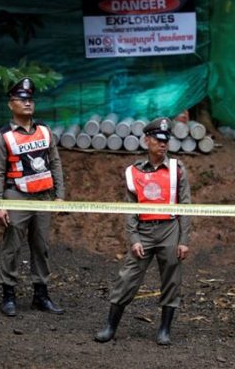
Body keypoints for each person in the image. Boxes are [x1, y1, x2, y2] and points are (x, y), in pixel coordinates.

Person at [94, 117, 192, 345]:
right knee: (127, 278)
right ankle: (110, 327)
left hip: (170, 230)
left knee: (171, 279)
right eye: (158, 140)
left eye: (166, 140)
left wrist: (184, 240)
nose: (163, 144)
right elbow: (130, 210)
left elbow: (186, 206)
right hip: (144, 232)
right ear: (146, 140)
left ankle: (164, 330)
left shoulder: (177, 169)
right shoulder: (133, 172)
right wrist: (134, 238)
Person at [0, 77, 65, 317]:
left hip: (43, 197)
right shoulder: (3, 136)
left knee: (41, 246)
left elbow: (55, 163)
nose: (28, 103)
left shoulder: (44, 130)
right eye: (22, 99)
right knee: (12, 246)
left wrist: (60, 196)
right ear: (11, 104)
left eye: (30, 99)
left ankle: (41, 295)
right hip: (16, 196)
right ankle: (8, 295)